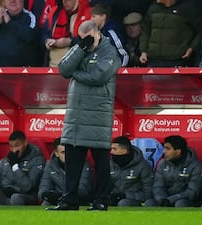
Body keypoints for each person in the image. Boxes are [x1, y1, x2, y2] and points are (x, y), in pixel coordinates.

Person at [47, 20, 121, 211]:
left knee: (101, 163)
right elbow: (63, 69)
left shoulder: (109, 51)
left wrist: (75, 73)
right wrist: (80, 48)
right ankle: (69, 201)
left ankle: (102, 201)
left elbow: (98, 77)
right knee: (72, 163)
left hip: (98, 115)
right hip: (76, 115)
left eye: (88, 38)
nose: (86, 41)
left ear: (97, 33)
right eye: (82, 38)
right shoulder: (80, 48)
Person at [139, 0, 202, 67]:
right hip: (153, 59)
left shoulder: (187, 8)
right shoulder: (153, 8)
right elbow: (145, 31)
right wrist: (143, 51)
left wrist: (191, 48)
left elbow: (200, 30)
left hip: (177, 59)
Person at [144, 135, 202, 207]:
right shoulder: (162, 164)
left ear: (178, 152)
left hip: (185, 200)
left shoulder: (195, 166)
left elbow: (193, 192)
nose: (164, 152)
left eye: (168, 149)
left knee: (180, 204)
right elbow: (158, 186)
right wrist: (162, 199)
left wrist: (171, 199)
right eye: (164, 148)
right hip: (166, 199)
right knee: (149, 203)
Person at [0, 0, 42, 66]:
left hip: (22, 70)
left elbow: (30, 36)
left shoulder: (30, 17)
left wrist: (10, 23)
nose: (12, 1)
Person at [38, 137, 93, 206]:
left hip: (77, 200)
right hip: (57, 199)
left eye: (69, 152)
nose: (67, 155)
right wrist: (47, 195)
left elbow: (83, 190)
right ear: (56, 153)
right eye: (63, 152)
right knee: (45, 204)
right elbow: (43, 188)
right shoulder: (50, 164)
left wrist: (61, 196)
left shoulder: (82, 163)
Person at [41, 0, 91, 67]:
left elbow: (90, 39)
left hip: (78, 64)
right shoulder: (54, 12)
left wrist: (70, 41)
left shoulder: (89, 13)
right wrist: (47, 41)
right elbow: (44, 33)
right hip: (53, 63)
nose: (65, 2)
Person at [110, 136, 153, 206]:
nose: (111, 152)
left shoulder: (142, 166)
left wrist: (125, 195)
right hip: (113, 199)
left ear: (124, 151)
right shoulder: (110, 164)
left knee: (123, 203)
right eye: (111, 149)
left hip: (134, 200)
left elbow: (148, 193)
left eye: (114, 149)